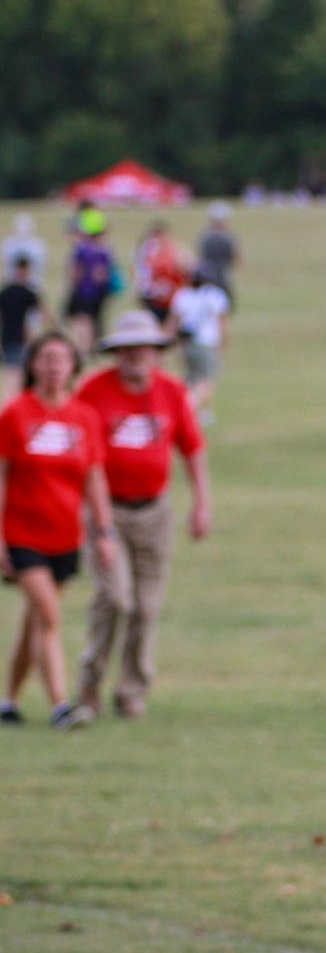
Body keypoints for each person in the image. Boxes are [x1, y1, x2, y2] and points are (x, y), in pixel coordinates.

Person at [75, 309, 210, 720]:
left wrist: (202, 503)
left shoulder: (170, 391)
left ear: (156, 351)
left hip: (155, 510)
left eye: (143, 349)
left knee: (147, 605)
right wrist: (98, 524)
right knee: (115, 598)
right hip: (107, 509)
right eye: (127, 350)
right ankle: (90, 682)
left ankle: (132, 690)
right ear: (115, 353)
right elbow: (83, 455)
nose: (135, 356)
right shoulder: (94, 392)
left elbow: (191, 447)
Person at [0, 330, 114, 727]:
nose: (52, 367)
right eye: (45, 359)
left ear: (72, 368)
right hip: (21, 533)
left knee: (35, 619)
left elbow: (94, 479)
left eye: (60, 359)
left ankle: (9, 700)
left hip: (64, 534)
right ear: (33, 365)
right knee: (49, 617)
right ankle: (61, 705)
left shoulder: (84, 418)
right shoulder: (15, 414)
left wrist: (104, 531)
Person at [169, 269, 230, 415]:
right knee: (206, 381)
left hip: (186, 343)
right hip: (206, 343)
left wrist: (169, 342)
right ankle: (186, 409)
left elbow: (173, 322)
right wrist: (223, 342)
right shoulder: (215, 295)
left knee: (191, 379)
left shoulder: (182, 295)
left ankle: (200, 411)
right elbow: (221, 322)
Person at [63, 214, 117, 355]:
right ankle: (94, 347)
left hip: (83, 291)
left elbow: (75, 271)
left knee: (82, 321)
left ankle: (83, 348)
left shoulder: (82, 250)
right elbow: (103, 274)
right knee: (95, 320)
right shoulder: (105, 251)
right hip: (99, 292)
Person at [1, 256, 45, 404]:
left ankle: (11, 401)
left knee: (16, 372)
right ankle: (10, 402)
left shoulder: (12, 292)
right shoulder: (21, 293)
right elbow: (41, 314)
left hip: (17, 337)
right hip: (14, 337)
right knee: (14, 373)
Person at [134, 221, 189, 323]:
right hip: (153, 299)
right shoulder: (146, 251)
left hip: (172, 299)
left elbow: (187, 268)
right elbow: (141, 273)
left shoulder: (175, 250)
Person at [195, 203, 240, 299]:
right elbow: (236, 257)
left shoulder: (204, 236)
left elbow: (200, 257)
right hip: (223, 278)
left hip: (206, 278)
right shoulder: (229, 237)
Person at [2, 214, 47, 290]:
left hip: (31, 283)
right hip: (13, 283)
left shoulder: (37, 244)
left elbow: (39, 266)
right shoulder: (8, 243)